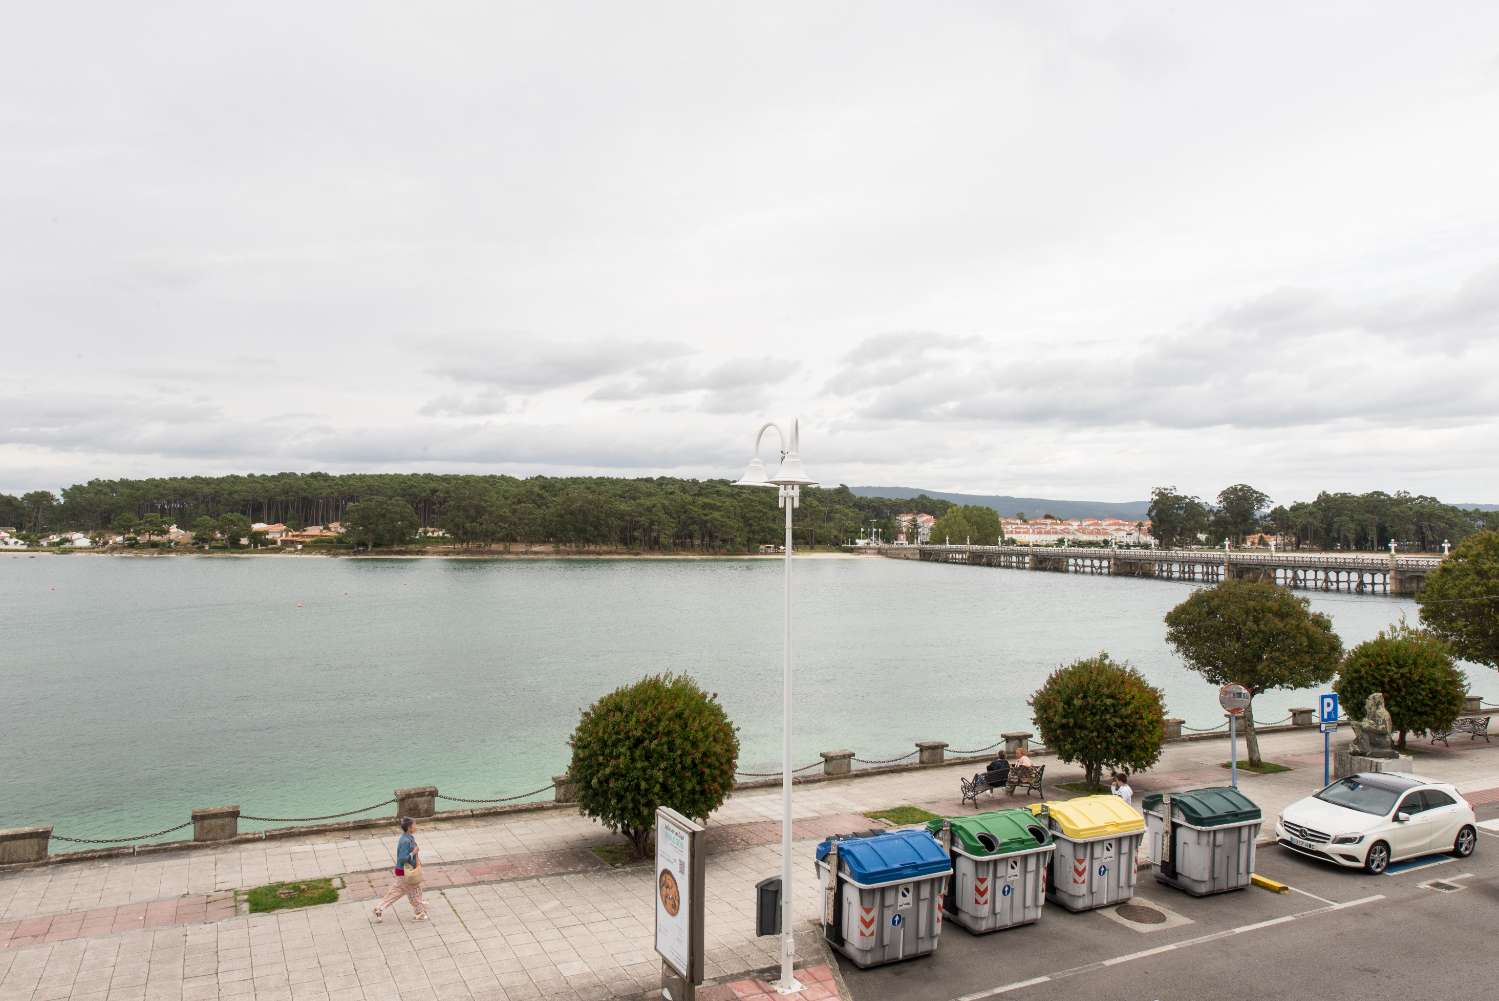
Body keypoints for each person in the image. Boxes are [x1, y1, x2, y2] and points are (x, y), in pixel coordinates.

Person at [373, 817, 428, 922]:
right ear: (409, 827)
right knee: (414, 891)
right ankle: (420, 911)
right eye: (415, 825)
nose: (416, 827)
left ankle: (379, 908)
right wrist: (414, 852)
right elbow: (402, 858)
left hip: (403, 871)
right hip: (406, 872)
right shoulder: (405, 841)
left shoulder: (408, 837)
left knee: (397, 891)